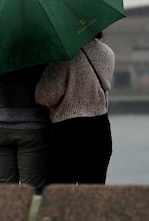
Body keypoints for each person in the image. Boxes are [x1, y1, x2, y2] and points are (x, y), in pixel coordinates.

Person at [35, 32, 115, 184]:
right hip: (100, 128)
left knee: (62, 194)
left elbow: (47, 95)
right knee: (93, 193)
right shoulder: (108, 53)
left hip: (67, 131)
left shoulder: (64, 55)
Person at [0, 64, 51, 192]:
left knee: (4, 192)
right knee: (32, 190)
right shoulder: (37, 50)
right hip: (33, 127)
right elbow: (49, 89)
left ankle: (6, 212)